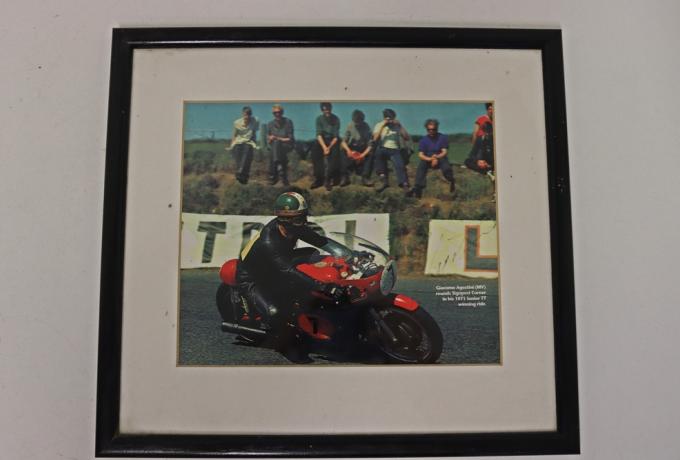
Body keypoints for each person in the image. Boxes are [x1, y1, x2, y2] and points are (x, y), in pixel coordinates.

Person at [236, 192, 344, 362]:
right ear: (285, 219)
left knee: (313, 254)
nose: (304, 222)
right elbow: (286, 270)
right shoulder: (268, 240)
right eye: (299, 218)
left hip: (275, 266)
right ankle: (285, 344)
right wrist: (323, 286)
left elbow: (320, 241)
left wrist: (349, 254)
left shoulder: (294, 227)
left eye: (304, 216)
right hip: (253, 278)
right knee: (274, 312)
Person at [407, 119, 455, 198]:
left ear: (437, 128)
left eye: (433, 129)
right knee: (421, 166)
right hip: (428, 158)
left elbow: (444, 151)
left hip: (440, 157)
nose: (431, 131)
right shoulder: (423, 140)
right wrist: (431, 159)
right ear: (426, 129)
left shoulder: (442, 137)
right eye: (429, 129)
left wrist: (436, 157)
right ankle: (418, 187)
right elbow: (421, 155)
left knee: (446, 168)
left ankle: (451, 181)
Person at [373, 108, 410, 192]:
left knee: (400, 165)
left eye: (391, 118)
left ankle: (404, 184)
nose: (390, 121)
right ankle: (383, 180)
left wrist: (400, 126)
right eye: (388, 118)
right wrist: (383, 126)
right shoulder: (379, 125)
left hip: (394, 149)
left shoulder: (397, 126)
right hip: (382, 147)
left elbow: (406, 137)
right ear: (384, 118)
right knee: (378, 154)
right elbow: (375, 138)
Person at [311, 102, 343, 191]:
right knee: (315, 151)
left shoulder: (336, 119)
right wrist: (324, 147)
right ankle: (318, 179)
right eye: (325, 109)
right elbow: (319, 135)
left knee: (335, 154)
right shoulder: (319, 119)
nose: (327, 111)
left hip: (333, 140)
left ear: (331, 109)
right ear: (322, 110)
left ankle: (328, 179)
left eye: (328, 109)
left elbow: (336, 136)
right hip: (322, 140)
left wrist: (329, 148)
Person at [341, 109, 374, 186]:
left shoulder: (366, 127)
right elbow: (343, 142)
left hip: (362, 148)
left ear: (362, 120)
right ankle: (344, 177)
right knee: (342, 151)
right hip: (352, 147)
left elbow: (370, 145)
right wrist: (349, 151)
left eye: (359, 122)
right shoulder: (350, 125)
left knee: (370, 154)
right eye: (355, 122)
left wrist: (362, 155)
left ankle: (365, 177)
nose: (357, 124)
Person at [227, 106, 259, 184]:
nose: (247, 116)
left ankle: (240, 171)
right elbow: (234, 135)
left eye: (248, 115)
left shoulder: (255, 121)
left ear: (250, 115)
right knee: (237, 152)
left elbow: (254, 133)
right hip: (238, 141)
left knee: (247, 152)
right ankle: (241, 173)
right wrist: (231, 145)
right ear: (243, 114)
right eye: (245, 114)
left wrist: (255, 143)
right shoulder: (237, 122)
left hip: (248, 141)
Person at [266, 104, 295, 186]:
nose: (277, 114)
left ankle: (273, 176)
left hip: (286, 145)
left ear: (282, 113)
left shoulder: (288, 122)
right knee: (275, 146)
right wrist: (270, 138)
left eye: (279, 112)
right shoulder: (270, 124)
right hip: (275, 146)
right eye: (275, 113)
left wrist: (278, 138)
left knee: (276, 145)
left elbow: (290, 139)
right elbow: (268, 140)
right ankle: (280, 171)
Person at [464, 102, 495, 180]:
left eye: (493, 109)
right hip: (480, 143)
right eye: (489, 109)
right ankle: (486, 168)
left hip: (489, 146)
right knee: (471, 160)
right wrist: (474, 146)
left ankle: (487, 168)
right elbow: (475, 133)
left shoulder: (496, 120)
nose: (491, 111)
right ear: (487, 110)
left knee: (472, 161)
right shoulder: (481, 119)